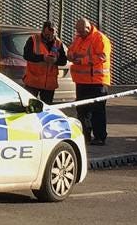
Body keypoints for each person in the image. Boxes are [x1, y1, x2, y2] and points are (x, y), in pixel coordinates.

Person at [68, 16, 112, 145]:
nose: (79, 33)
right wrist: (70, 55)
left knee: (97, 111)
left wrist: (82, 61)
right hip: (82, 81)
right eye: (78, 31)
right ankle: (85, 136)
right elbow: (71, 50)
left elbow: (102, 56)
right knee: (82, 111)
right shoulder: (78, 38)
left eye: (81, 31)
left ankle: (99, 137)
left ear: (88, 28)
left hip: (97, 82)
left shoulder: (100, 38)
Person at [23, 21, 67, 104]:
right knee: (29, 106)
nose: (49, 37)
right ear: (43, 32)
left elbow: (63, 61)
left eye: (52, 35)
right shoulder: (33, 39)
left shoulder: (58, 43)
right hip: (33, 81)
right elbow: (27, 55)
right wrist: (42, 58)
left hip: (49, 84)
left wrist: (55, 61)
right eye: (47, 34)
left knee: (47, 107)